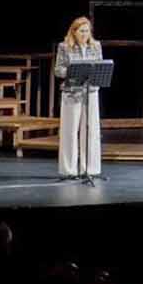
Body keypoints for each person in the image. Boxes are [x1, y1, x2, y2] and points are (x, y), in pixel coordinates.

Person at [54, 16, 103, 179]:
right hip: (72, 93)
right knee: (70, 131)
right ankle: (69, 170)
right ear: (74, 31)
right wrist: (72, 71)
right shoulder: (64, 47)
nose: (84, 34)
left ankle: (90, 169)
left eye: (87, 31)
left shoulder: (96, 46)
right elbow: (58, 69)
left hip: (90, 93)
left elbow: (101, 67)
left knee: (91, 131)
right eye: (81, 31)